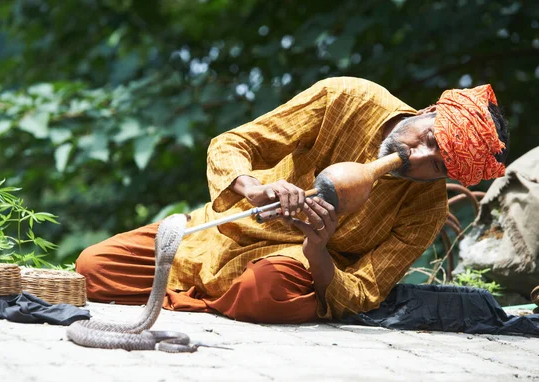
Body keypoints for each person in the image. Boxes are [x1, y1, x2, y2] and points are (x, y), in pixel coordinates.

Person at [75, 77, 510, 323]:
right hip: (223, 233)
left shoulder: (426, 208)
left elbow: (363, 291)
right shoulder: (347, 98)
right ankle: (199, 296)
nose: (416, 157)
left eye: (437, 166)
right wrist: (252, 188)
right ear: (425, 112)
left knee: (267, 288)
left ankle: (188, 299)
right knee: (92, 269)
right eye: (429, 139)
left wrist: (317, 249)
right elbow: (232, 143)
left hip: (287, 265)